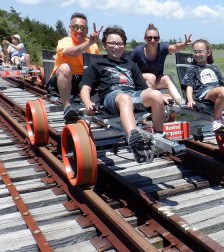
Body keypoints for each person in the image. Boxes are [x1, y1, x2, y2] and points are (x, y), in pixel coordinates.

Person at [80, 26, 166, 163]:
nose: (116, 47)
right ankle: (135, 141)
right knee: (124, 98)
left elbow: (144, 89)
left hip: (132, 94)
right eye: (112, 43)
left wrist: (161, 97)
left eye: (120, 44)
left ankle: (159, 137)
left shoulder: (131, 65)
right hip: (111, 97)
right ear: (104, 45)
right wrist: (88, 102)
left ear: (124, 46)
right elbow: (85, 88)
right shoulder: (97, 65)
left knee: (156, 95)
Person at [46, 12, 103, 123]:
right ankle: (67, 107)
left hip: (81, 82)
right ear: (70, 28)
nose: (79, 31)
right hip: (60, 82)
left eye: (82, 28)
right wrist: (89, 43)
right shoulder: (64, 42)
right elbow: (71, 53)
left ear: (86, 30)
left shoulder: (94, 46)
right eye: (75, 27)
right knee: (65, 68)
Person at [129, 23, 191, 105]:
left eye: (155, 38)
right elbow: (128, 67)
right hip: (142, 82)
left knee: (167, 78)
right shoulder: (138, 51)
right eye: (149, 38)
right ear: (145, 38)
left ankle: (180, 101)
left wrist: (184, 44)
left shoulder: (162, 48)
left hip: (156, 81)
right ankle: (153, 101)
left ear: (159, 39)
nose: (152, 40)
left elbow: (175, 47)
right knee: (151, 77)